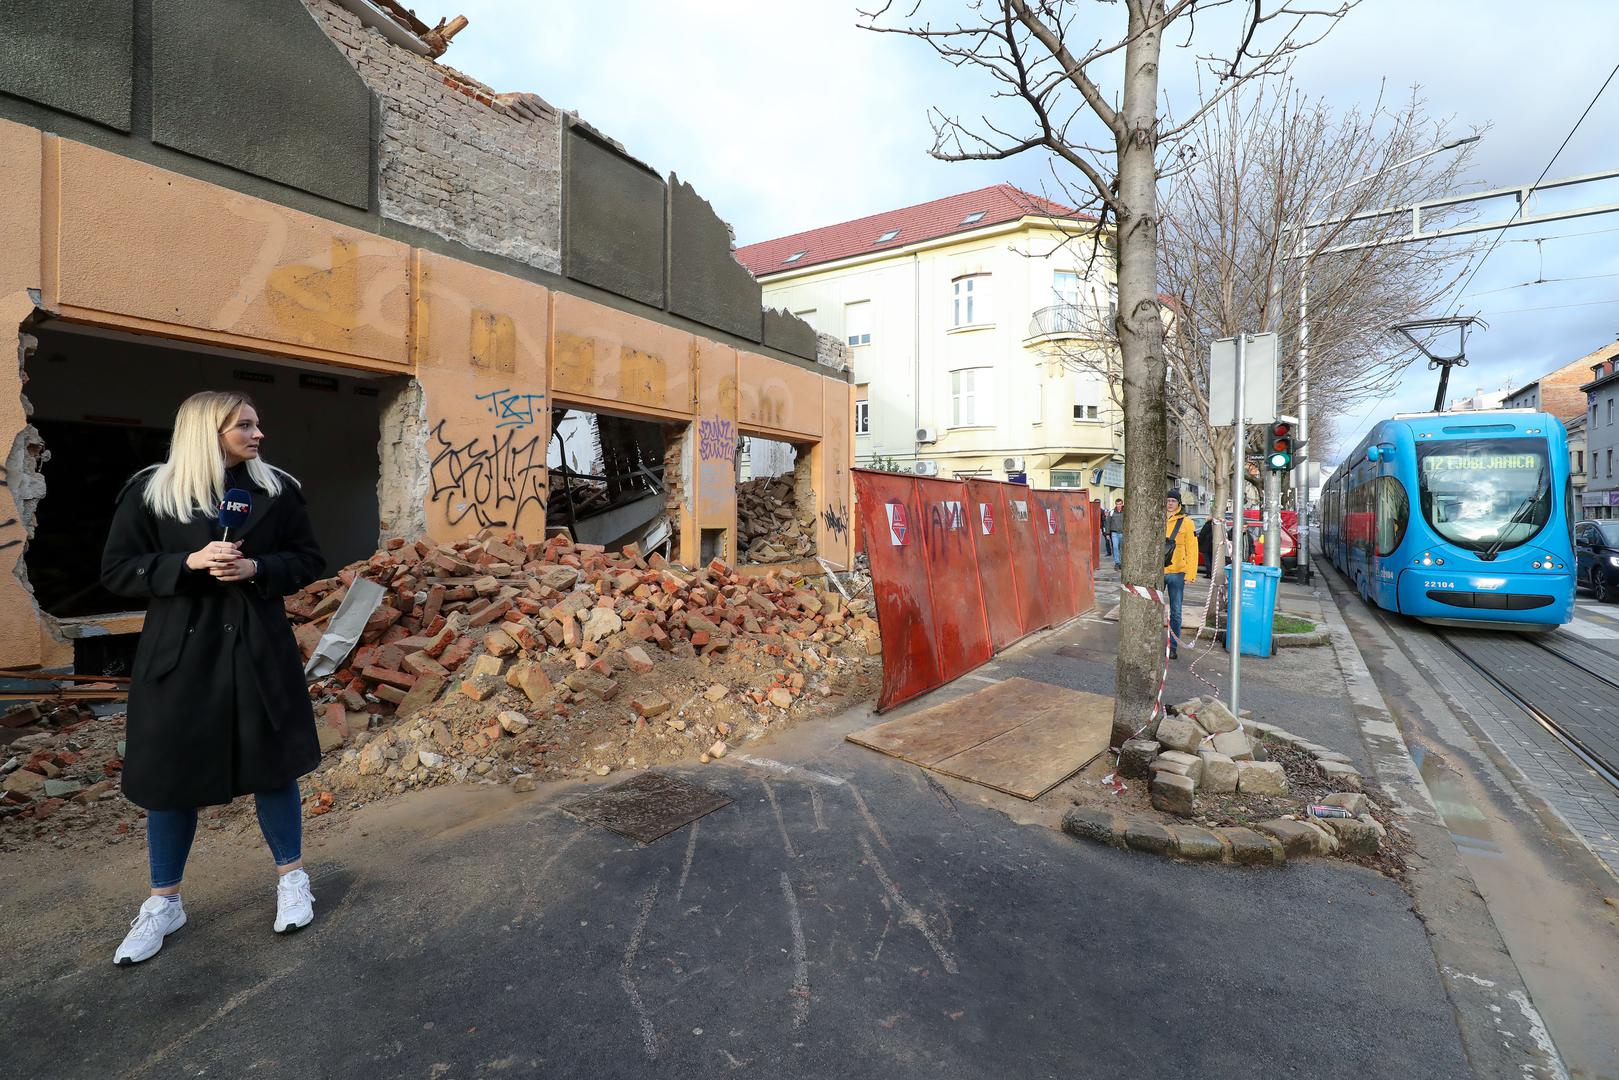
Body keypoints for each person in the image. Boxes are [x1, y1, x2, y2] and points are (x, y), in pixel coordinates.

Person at [101, 391, 325, 966]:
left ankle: (292, 879)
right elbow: (118, 570)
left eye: (257, 423)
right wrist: (188, 564)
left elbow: (307, 559)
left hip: (256, 648)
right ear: (208, 430)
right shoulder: (153, 490)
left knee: (273, 766)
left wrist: (257, 568)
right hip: (180, 655)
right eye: (245, 425)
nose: (259, 435)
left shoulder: (277, 489)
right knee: (169, 779)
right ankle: (163, 902)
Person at [1163, 489, 1199, 659]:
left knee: (1176, 612)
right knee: (1153, 609)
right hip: (1158, 572)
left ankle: (1173, 645)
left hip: (1177, 572)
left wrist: (1190, 574)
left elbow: (1192, 549)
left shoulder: (1186, 523)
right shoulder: (1157, 518)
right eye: (1168, 500)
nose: (1170, 503)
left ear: (1178, 503)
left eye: (1173, 501)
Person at [1107, 498, 1125, 569]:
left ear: (1122, 504)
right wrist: (1107, 534)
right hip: (1114, 533)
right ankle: (1117, 563)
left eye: (1120, 504)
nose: (1118, 505)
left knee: (1122, 548)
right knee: (1115, 547)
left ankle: (1122, 563)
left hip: (1123, 533)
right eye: (1117, 504)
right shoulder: (1111, 512)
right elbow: (1108, 523)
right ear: (1115, 504)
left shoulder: (1125, 512)